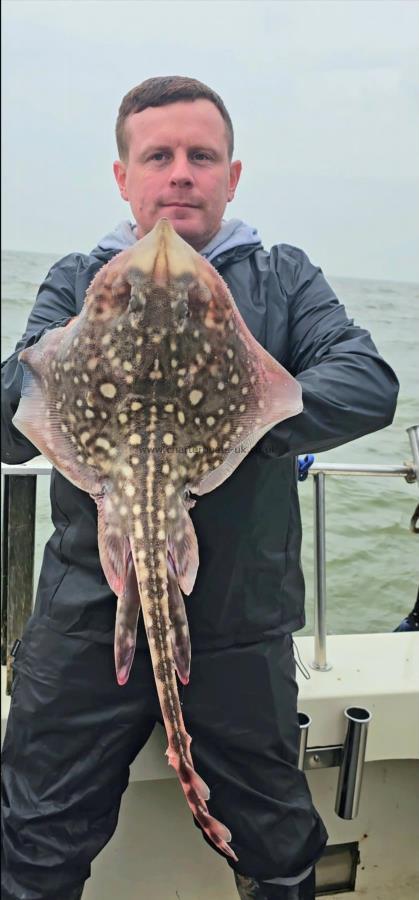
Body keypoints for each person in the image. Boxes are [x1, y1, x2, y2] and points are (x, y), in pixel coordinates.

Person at [1, 76, 399, 900]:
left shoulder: (281, 276)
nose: (180, 172)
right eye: (158, 156)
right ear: (124, 177)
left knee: (274, 841)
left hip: (240, 627)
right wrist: (62, 380)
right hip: (83, 621)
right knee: (38, 835)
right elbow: (10, 410)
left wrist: (227, 424)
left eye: (200, 156)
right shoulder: (82, 277)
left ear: (231, 174)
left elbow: (366, 381)